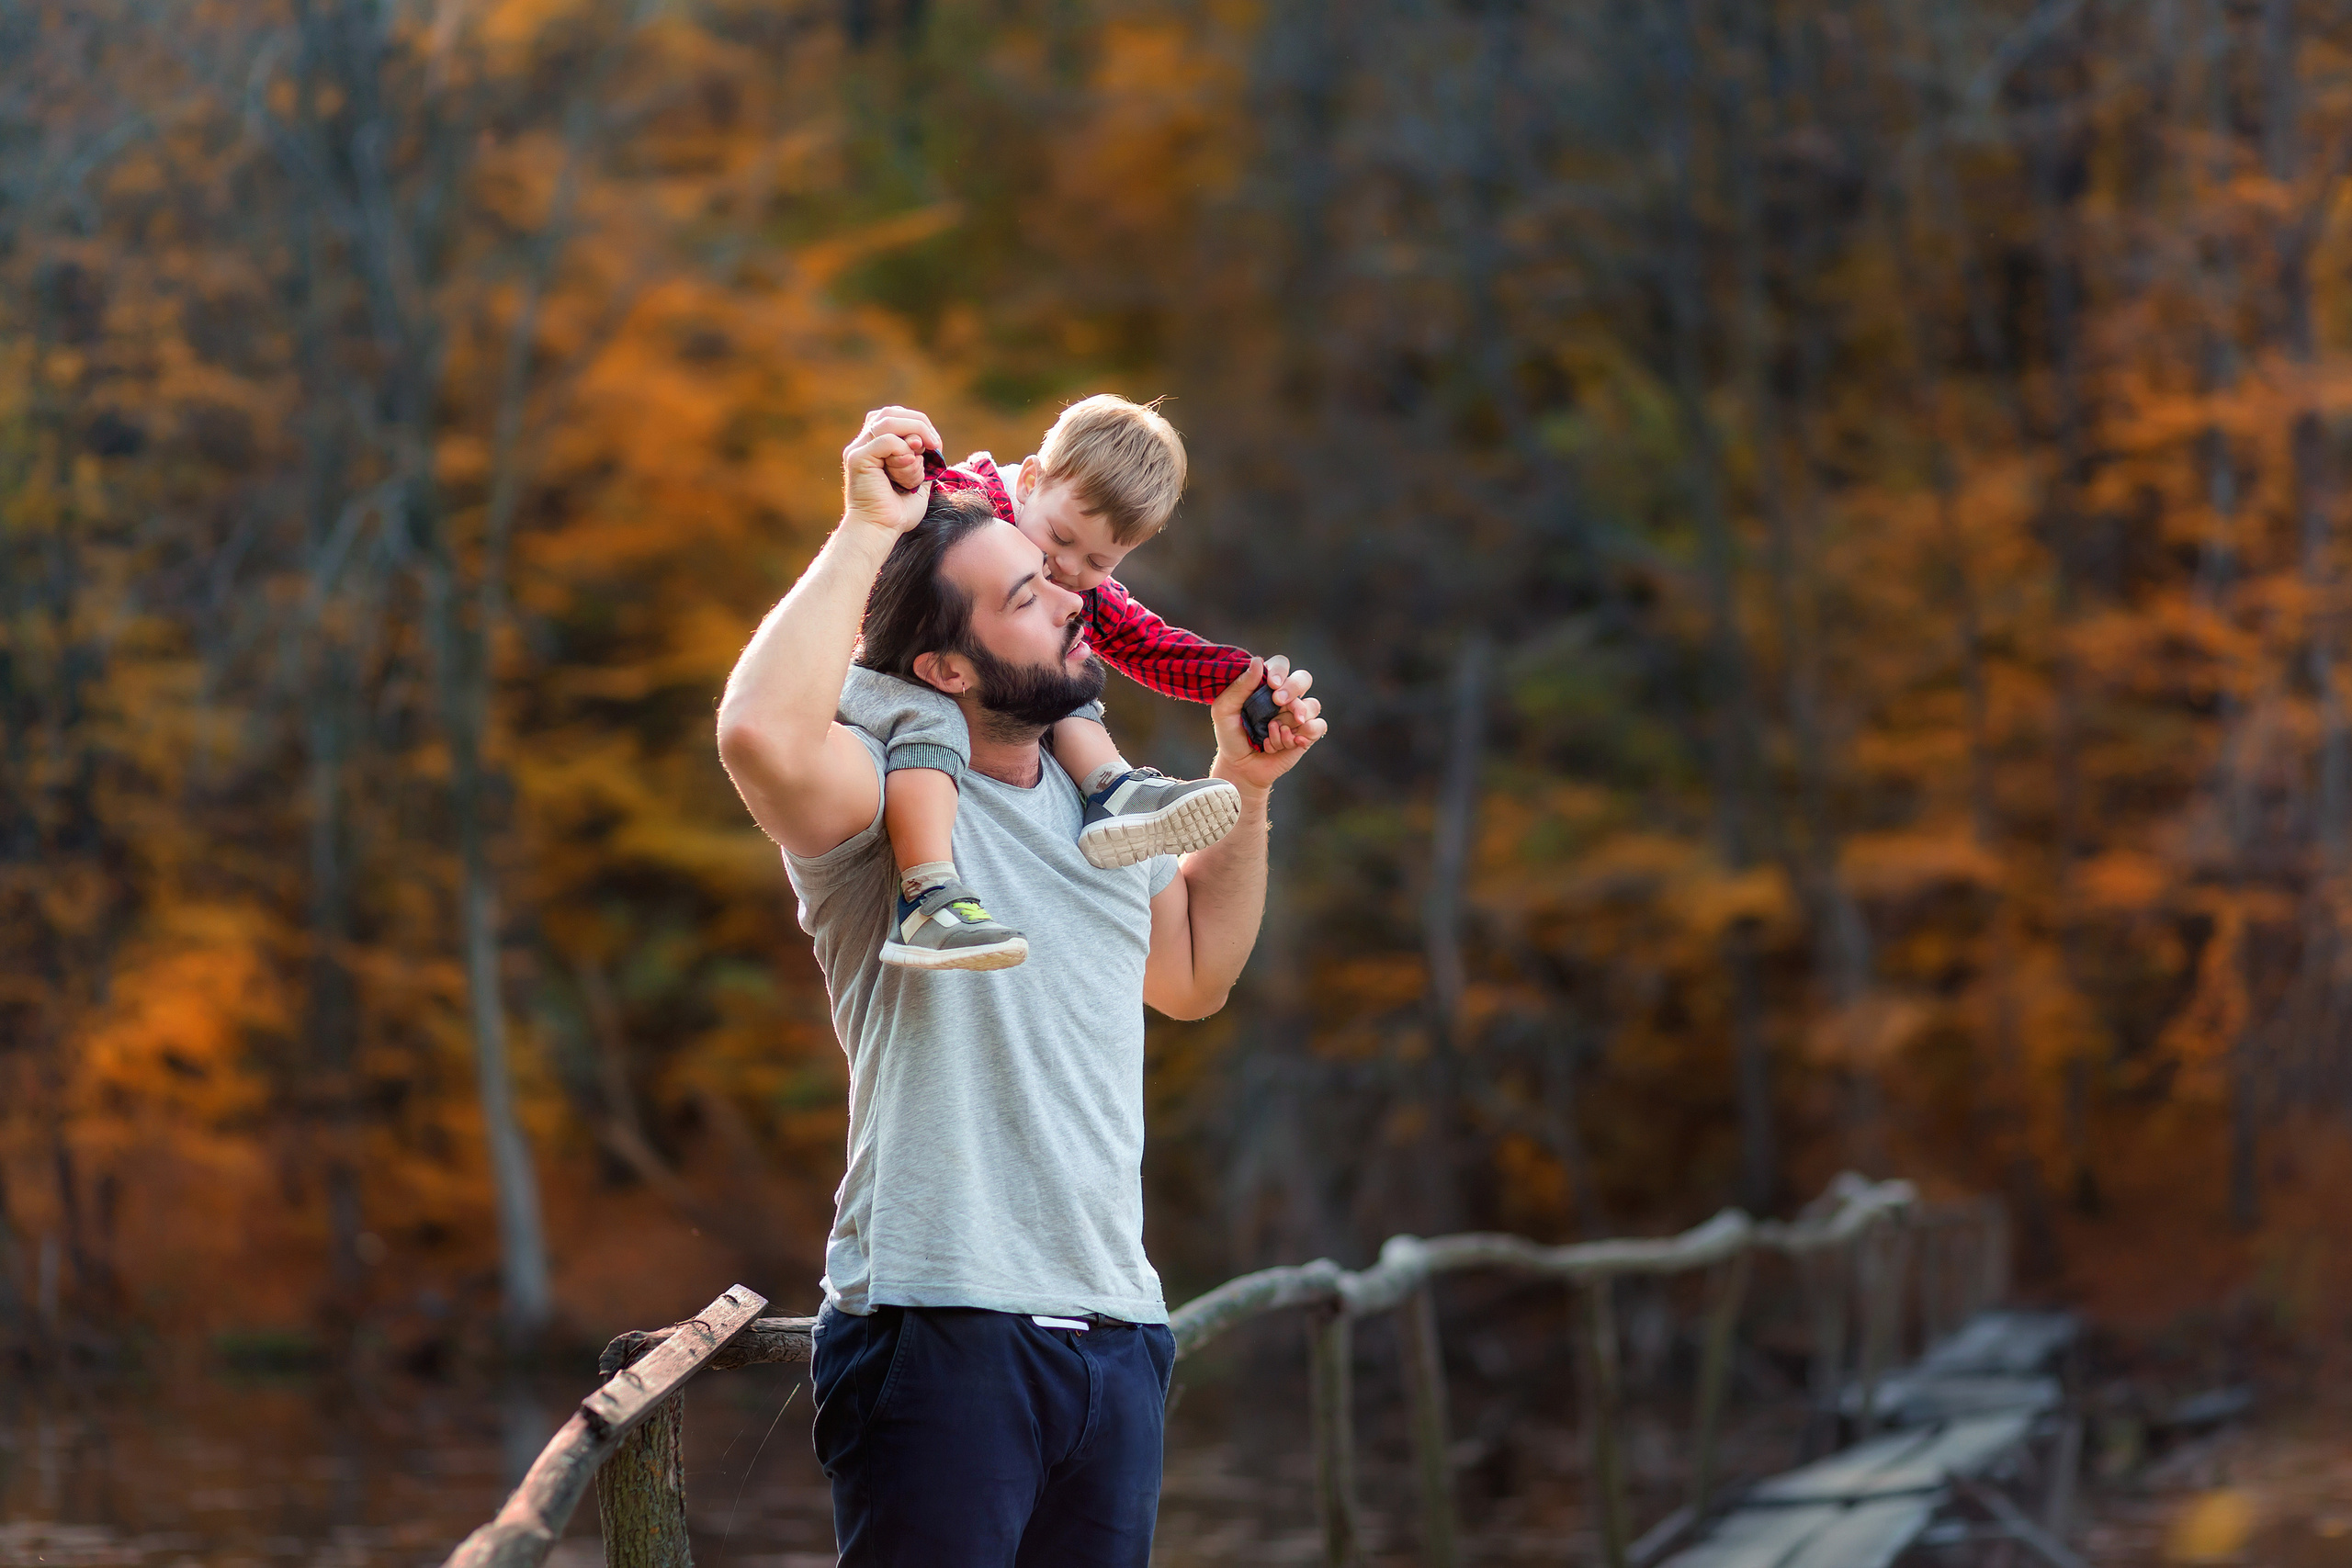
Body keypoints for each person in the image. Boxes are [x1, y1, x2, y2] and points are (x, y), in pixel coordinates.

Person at [714, 405, 1326, 1568]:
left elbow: (1193, 977)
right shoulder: (877, 797)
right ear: (946, 662)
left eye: (1068, 582)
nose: (1069, 600)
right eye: (1028, 594)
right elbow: (753, 731)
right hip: (942, 1326)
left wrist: (1245, 789)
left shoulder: (1105, 815)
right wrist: (861, 531)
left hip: (1117, 1333)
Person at [837, 392, 1296, 972]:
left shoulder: (1072, 586)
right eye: (1060, 540)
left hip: (982, 685)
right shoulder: (970, 503)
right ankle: (928, 894)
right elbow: (914, 491)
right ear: (1030, 479)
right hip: (900, 674)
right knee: (932, 727)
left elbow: (1145, 643)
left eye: (1101, 563)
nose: (1071, 571)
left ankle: (1111, 790)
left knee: (1067, 676)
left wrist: (1242, 679)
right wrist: (905, 453)